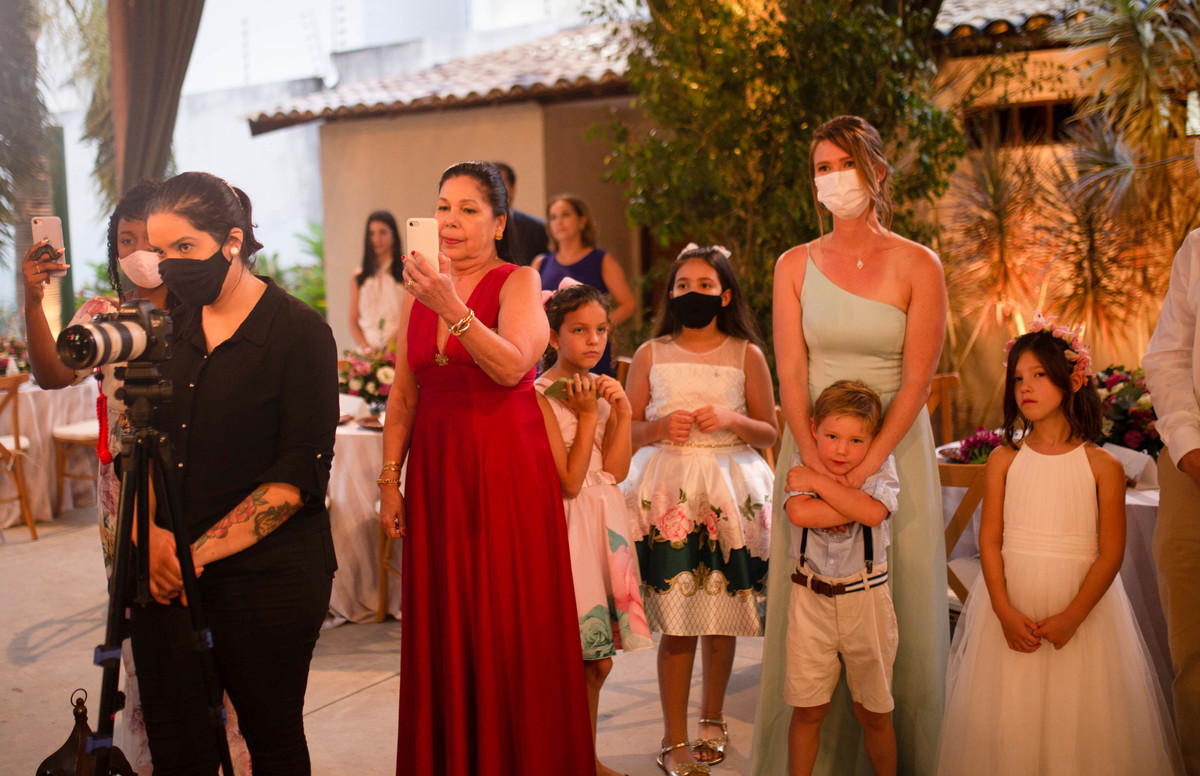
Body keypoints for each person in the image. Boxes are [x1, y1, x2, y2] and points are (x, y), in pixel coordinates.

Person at [377, 160, 594, 776]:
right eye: (443, 206)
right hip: (439, 475)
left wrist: (452, 306)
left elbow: (511, 366)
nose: (450, 220)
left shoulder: (518, 281)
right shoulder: (416, 293)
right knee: (449, 625)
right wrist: (390, 481)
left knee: (508, 619)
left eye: (468, 209)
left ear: (498, 223)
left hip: (505, 470)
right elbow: (402, 397)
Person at [753, 115, 949, 776]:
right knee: (808, 613)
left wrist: (869, 464)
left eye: (844, 164)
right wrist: (813, 458)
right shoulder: (793, 265)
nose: (832, 178)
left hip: (897, 451)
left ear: (877, 173)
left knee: (902, 615)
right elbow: (790, 372)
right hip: (809, 446)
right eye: (821, 167)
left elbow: (918, 379)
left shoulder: (919, 264)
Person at [131, 171, 339, 775]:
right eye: (159, 251)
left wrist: (192, 558)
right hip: (164, 571)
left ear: (231, 241)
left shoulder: (298, 332)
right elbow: (138, 448)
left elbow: (296, 478)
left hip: (266, 577)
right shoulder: (163, 333)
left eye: (184, 249)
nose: (169, 266)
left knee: (270, 741)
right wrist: (151, 537)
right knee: (179, 750)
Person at [935, 319, 1182, 774]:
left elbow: (1111, 553)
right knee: (1012, 716)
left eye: (1038, 375)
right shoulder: (1005, 460)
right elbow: (988, 541)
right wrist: (1004, 611)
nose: (1024, 388)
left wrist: (1072, 617)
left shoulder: (1103, 465)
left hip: (1082, 613)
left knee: (1082, 719)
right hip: (1013, 606)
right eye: (1017, 378)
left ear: (1072, 379)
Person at [623, 244, 776, 775]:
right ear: (670, 294)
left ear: (725, 294)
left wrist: (733, 417)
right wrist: (660, 428)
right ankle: (674, 739)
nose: (693, 294)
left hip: (730, 492)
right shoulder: (650, 352)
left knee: (723, 616)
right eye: (683, 285)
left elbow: (770, 429)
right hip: (670, 492)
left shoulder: (745, 354)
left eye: (705, 286)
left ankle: (713, 718)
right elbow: (626, 427)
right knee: (678, 622)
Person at [535, 282, 655, 776]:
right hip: (569, 532)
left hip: (605, 527)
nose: (593, 341)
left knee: (598, 659)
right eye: (579, 330)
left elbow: (618, 470)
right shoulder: (540, 396)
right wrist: (587, 417)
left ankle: (582, 757)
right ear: (552, 337)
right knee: (578, 660)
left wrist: (620, 411)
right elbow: (567, 480)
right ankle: (568, 759)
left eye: (601, 330)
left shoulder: (600, 392)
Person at [783, 380, 899, 776]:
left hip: (865, 599)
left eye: (855, 441)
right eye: (832, 436)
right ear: (814, 427)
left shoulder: (880, 467)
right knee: (808, 707)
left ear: (872, 441)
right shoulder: (799, 459)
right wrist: (854, 501)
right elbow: (801, 515)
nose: (841, 450)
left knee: (874, 710)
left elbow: (874, 515)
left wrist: (818, 486)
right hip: (809, 599)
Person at [1143, 213, 1200, 775]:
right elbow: (1168, 356)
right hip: (1192, 466)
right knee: (1192, 648)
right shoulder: (1197, 247)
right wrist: (1187, 446)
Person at [533, 195, 636, 378]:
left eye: (565, 215)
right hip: (550, 349)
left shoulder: (602, 260)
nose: (559, 222)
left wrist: (597, 329)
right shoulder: (541, 262)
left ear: (582, 221)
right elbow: (530, 308)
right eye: (553, 217)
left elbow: (628, 304)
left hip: (590, 350)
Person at [348, 209, 405, 351]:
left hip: (397, 349)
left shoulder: (405, 275)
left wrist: (387, 350)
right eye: (371, 233)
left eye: (383, 232)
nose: (376, 239)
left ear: (394, 235)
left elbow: (409, 319)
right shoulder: (359, 277)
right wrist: (366, 348)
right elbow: (353, 321)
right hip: (366, 353)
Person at [493, 161, 548, 265]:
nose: (494, 189)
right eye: (489, 184)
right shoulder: (472, 226)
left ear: (513, 189)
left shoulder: (537, 229)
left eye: (500, 182)